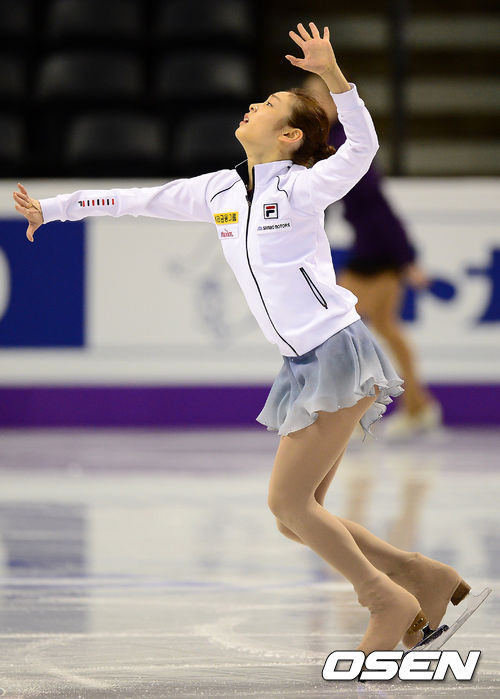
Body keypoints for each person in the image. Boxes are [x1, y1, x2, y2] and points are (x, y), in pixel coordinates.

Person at [13, 22, 470, 656]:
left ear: (290, 137)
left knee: (288, 503)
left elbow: (362, 146)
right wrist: (55, 209)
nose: (253, 104)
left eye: (270, 104)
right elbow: (136, 200)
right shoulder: (221, 191)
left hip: (337, 352)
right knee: (296, 518)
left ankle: (384, 598)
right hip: (302, 365)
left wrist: (334, 76)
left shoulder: (304, 188)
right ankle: (422, 574)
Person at [302, 72, 443, 439]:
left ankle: (352, 414)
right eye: (309, 97)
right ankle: (418, 406)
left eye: (322, 96)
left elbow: (376, 205)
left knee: (338, 329)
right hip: (373, 245)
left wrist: (405, 259)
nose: (315, 103)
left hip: (378, 247)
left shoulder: (344, 142)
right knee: (384, 329)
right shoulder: (327, 142)